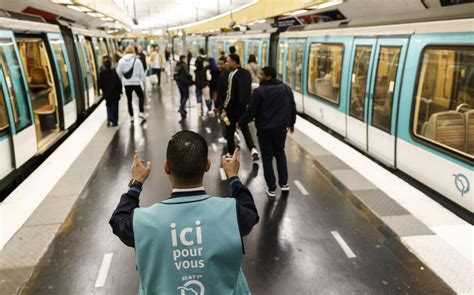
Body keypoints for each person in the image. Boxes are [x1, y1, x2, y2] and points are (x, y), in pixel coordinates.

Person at [109, 131, 259, 294]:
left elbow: (118, 221)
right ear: (207, 165)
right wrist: (234, 177)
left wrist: (136, 183)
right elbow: (250, 212)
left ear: (167, 167)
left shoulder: (143, 221)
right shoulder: (231, 213)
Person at [238, 66, 296, 198]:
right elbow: (292, 106)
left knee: (267, 158)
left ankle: (272, 188)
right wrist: (291, 123)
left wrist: (240, 123)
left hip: (265, 130)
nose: (258, 76)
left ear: (268, 77)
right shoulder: (285, 88)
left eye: (261, 74)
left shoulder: (259, 92)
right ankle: (284, 184)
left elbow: (251, 111)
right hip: (281, 129)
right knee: (280, 154)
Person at [221, 54, 259, 160]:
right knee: (245, 129)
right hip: (244, 108)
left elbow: (230, 94)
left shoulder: (232, 74)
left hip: (233, 109)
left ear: (234, 61)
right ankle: (253, 149)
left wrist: (224, 109)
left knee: (230, 131)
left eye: (228, 61)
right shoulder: (246, 73)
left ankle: (231, 153)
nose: (227, 63)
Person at [117, 45, 147, 122]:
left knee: (129, 100)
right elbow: (142, 73)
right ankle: (141, 112)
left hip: (127, 85)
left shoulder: (121, 61)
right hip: (136, 83)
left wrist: (120, 85)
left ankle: (131, 117)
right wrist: (144, 83)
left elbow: (118, 74)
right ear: (133, 51)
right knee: (141, 97)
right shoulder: (137, 61)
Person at [98, 55, 122, 127]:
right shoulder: (114, 72)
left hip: (107, 94)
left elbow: (99, 83)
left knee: (108, 106)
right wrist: (120, 91)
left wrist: (101, 90)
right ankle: (114, 121)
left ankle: (109, 119)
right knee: (115, 107)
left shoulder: (101, 73)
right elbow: (118, 82)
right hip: (114, 93)